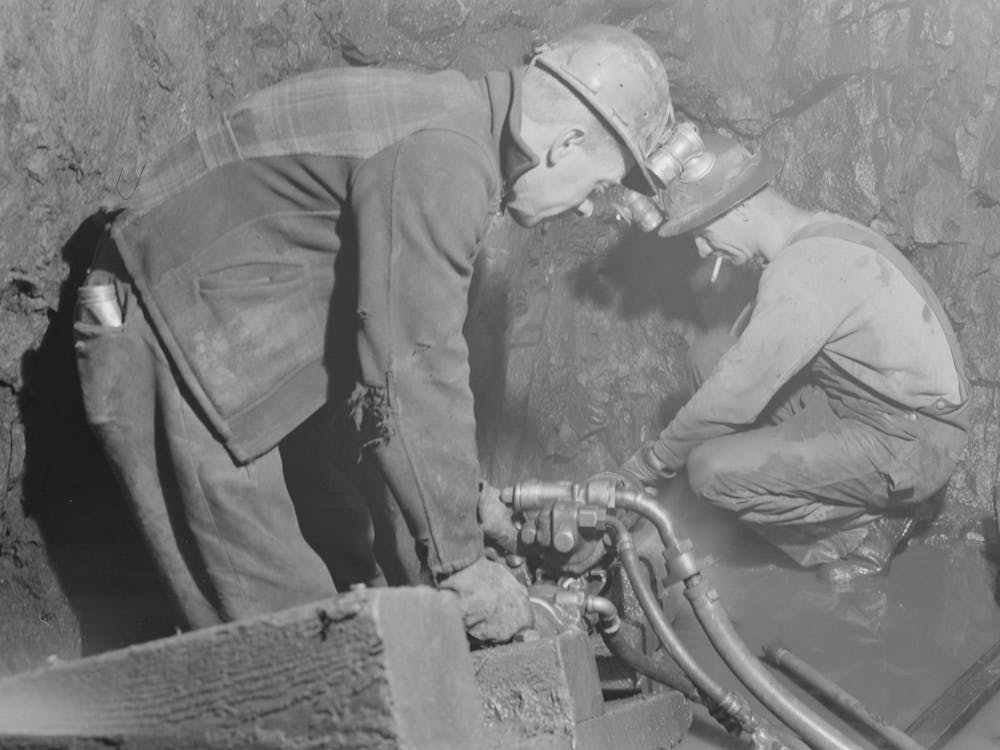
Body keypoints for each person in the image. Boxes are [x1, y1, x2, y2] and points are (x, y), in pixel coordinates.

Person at [72, 24, 675, 643]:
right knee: (289, 629)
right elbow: (411, 368)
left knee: (357, 576)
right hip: (156, 319)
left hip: (216, 331)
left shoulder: (453, 120)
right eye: (601, 185)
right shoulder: (446, 158)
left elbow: (382, 364)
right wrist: (462, 566)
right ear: (567, 142)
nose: (584, 208)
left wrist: (468, 504)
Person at [611, 131, 969, 584]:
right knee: (713, 353)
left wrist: (646, 467)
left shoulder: (800, 275)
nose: (702, 249)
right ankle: (839, 496)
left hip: (916, 438)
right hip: (870, 406)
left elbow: (734, 398)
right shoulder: (815, 235)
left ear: (739, 209)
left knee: (709, 471)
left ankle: (863, 527)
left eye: (703, 233)